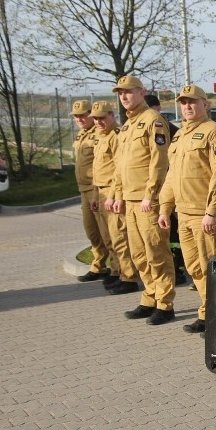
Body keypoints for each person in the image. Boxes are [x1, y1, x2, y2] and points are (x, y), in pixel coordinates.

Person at [158, 85, 216, 334]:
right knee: (195, 268)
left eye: (193, 102)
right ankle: (206, 311)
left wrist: (212, 211)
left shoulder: (214, 132)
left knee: (212, 268)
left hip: (205, 214)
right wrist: (164, 208)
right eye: (183, 103)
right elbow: (172, 176)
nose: (187, 107)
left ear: (205, 104)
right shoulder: (179, 136)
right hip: (184, 213)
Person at [112, 75, 176, 325]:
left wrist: (151, 194)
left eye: (129, 91)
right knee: (139, 254)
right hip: (130, 199)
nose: (124, 96)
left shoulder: (153, 120)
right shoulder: (127, 126)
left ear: (141, 92)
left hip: (147, 201)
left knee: (156, 252)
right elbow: (120, 165)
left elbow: (159, 162)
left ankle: (165, 303)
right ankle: (150, 296)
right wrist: (118, 194)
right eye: (120, 93)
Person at [90, 101, 140, 296]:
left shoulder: (115, 136)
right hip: (102, 192)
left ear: (112, 116)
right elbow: (97, 170)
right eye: (95, 118)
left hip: (113, 192)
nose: (99, 122)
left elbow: (119, 170)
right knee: (109, 237)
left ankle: (128, 277)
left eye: (103, 118)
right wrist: (96, 195)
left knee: (119, 237)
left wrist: (116, 195)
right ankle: (117, 270)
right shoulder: (99, 137)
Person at [146, 93, 187, 286]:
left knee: (174, 233)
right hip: (163, 190)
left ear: (158, 108)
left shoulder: (170, 130)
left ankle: (178, 267)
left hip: (173, 189)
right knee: (167, 233)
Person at [72, 99, 112, 284]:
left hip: (97, 189)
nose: (80, 119)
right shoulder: (81, 135)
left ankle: (114, 267)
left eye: (83, 115)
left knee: (106, 231)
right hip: (84, 189)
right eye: (76, 116)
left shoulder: (100, 134)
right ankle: (99, 264)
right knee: (91, 231)